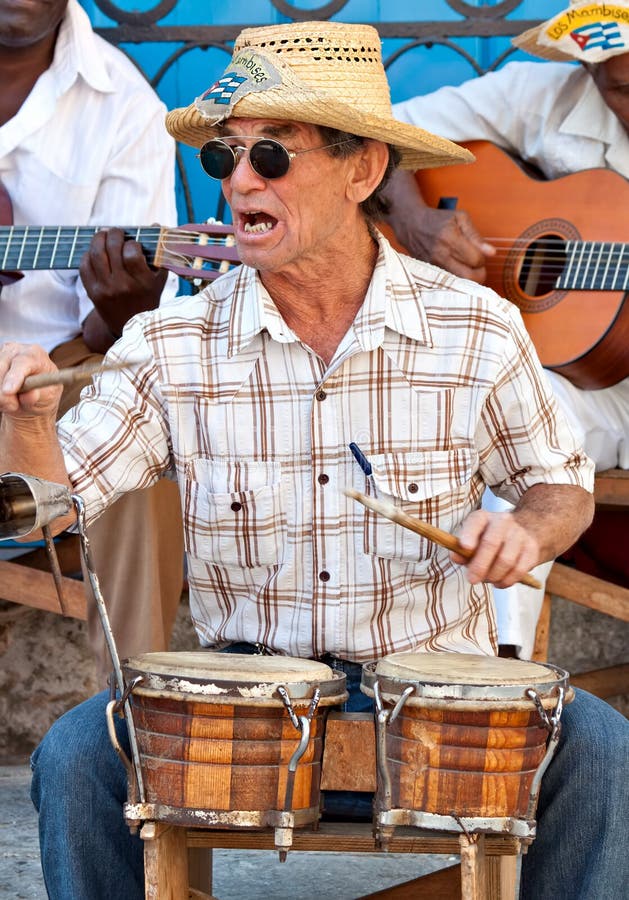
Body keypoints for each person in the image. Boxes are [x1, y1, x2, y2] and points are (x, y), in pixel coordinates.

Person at [0, 19, 626, 900]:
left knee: (599, 751)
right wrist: (28, 423)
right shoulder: (172, 341)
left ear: (362, 169)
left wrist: (526, 530)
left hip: (438, 701)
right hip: (243, 708)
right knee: (76, 757)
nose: (240, 181)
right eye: (225, 159)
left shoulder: (474, 325)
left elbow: (560, 485)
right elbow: (57, 505)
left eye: (273, 156)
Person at [382, 0, 629, 658]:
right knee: (513, 422)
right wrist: (414, 221)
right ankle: (497, 667)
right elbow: (381, 133)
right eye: (623, 85)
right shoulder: (541, 95)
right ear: (590, 62)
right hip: (592, 390)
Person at [0, 0, 184, 679]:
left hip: (44, 386)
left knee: (139, 424)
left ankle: (137, 713)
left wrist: (122, 307)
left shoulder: (124, 108)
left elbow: (109, 338)